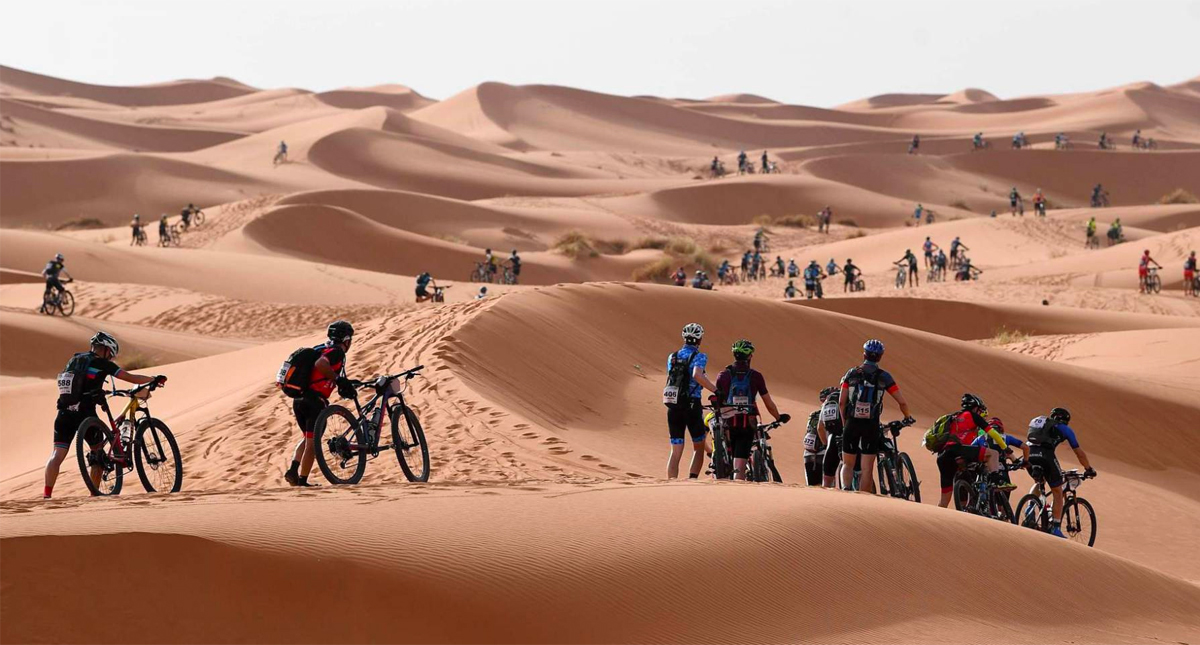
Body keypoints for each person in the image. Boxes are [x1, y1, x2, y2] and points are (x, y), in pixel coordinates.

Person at [45, 331, 167, 499]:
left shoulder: (74, 360)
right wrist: (153, 379)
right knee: (98, 454)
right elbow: (130, 377)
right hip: (85, 415)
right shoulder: (102, 363)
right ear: (107, 350)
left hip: (64, 413)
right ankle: (94, 494)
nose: (110, 358)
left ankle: (47, 495)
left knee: (56, 455)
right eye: (111, 354)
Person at [284, 321, 354, 487]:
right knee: (312, 444)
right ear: (346, 339)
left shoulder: (320, 349)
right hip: (314, 402)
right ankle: (302, 481)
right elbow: (320, 365)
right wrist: (337, 379)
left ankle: (293, 469)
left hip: (299, 400)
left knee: (308, 439)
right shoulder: (336, 352)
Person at [838, 339, 913, 493]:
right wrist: (907, 417)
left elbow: (841, 402)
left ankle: (845, 491)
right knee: (867, 469)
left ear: (864, 354)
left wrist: (845, 422)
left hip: (852, 422)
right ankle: (863, 497)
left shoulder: (851, 373)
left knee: (848, 464)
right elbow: (902, 402)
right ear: (880, 357)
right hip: (871, 425)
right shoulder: (884, 377)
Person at [713, 339, 789, 481]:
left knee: (728, 457)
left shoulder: (723, 376)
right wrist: (778, 417)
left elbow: (718, 401)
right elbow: (768, 403)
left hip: (728, 423)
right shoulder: (756, 376)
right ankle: (739, 485)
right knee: (740, 463)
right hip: (747, 422)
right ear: (749, 356)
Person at [1026, 407, 1095, 537]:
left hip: (1029, 455)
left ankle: (1029, 509)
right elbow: (1079, 453)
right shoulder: (1065, 429)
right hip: (1046, 456)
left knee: (1040, 481)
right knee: (1057, 491)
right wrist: (1089, 469)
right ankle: (1055, 528)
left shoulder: (1042, 424)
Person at [933, 393, 1008, 508]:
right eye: (979, 410)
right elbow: (993, 433)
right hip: (958, 450)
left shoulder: (953, 417)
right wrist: (1005, 447)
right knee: (993, 453)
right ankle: (996, 481)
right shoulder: (973, 416)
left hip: (942, 456)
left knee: (944, 500)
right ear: (975, 408)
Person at [664, 323, 717, 479]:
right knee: (698, 447)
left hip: (673, 404)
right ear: (699, 339)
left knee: (675, 450)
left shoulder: (672, 357)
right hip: (692, 405)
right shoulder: (700, 356)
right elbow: (697, 375)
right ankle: (692, 480)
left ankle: (671, 483)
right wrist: (716, 390)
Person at [816, 385, 844, 489]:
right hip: (849, 436)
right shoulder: (848, 398)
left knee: (827, 476)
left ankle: (826, 495)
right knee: (860, 469)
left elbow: (820, 427)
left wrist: (825, 444)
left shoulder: (826, 404)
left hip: (833, 438)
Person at [804, 389, 831, 486]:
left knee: (811, 486)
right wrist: (827, 446)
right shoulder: (832, 415)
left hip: (808, 453)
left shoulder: (813, 415)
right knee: (827, 485)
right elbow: (821, 429)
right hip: (824, 453)